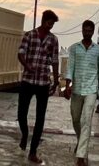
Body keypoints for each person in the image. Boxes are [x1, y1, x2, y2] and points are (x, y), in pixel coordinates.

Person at [17, 10, 60, 165]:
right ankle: (24, 134)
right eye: (49, 22)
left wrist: (55, 81)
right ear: (44, 20)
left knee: (40, 117)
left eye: (53, 24)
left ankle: (33, 151)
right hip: (28, 80)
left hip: (43, 81)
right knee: (21, 113)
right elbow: (20, 53)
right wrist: (27, 65)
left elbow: (55, 60)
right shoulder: (29, 35)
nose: (51, 26)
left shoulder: (53, 39)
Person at [64, 20, 99, 166]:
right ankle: (81, 139)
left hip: (91, 90)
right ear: (82, 30)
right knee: (75, 119)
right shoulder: (74, 48)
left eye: (89, 30)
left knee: (86, 120)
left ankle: (81, 155)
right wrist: (67, 85)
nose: (87, 33)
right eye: (85, 30)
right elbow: (70, 67)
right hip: (77, 89)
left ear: (92, 32)